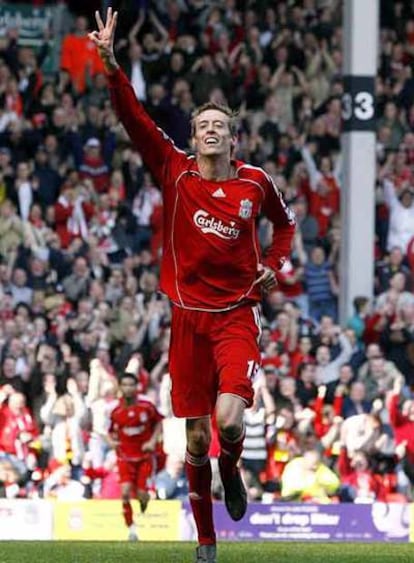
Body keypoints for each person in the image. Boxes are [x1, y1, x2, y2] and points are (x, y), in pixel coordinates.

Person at [90, 9, 295, 562]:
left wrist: (275, 262)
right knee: (196, 439)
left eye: (219, 127)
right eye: (202, 125)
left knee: (230, 422)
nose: (210, 132)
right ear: (194, 136)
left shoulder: (256, 182)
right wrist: (112, 66)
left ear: (232, 138)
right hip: (186, 317)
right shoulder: (174, 170)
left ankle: (233, 471)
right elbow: (133, 117)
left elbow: (287, 226)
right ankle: (207, 543)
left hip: (235, 315)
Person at [107, 365, 163, 541]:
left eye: (132, 385)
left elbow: (159, 423)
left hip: (145, 457)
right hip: (124, 457)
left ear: (137, 387)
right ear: (120, 387)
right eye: (125, 385)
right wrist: (111, 441)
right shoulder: (116, 412)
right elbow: (110, 432)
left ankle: (144, 502)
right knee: (124, 493)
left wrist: (153, 440)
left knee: (142, 495)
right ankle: (131, 529)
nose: (128, 388)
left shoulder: (146, 407)